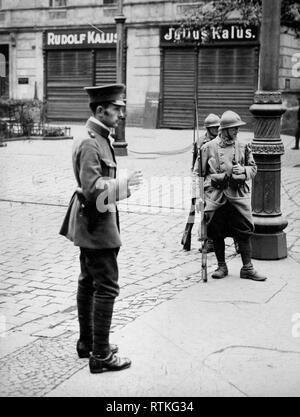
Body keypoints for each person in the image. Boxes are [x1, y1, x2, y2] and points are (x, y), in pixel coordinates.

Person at [59, 83, 143, 373]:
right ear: (100, 110)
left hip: (96, 224)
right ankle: (101, 355)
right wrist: (124, 185)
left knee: (88, 282)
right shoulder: (90, 142)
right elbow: (93, 190)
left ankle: (89, 343)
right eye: (117, 109)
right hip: (96, 226)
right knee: (106, 286)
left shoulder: (100, 138)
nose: (121, 114)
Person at [196, 110, 267, 281]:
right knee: (216, 231)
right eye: (234, 128)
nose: (236, 132)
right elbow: (198, 174)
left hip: (237, 196)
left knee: (244, 230)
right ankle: (221, 266)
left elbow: (253, 168)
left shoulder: (243, 146)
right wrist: (205, 192)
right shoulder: (207, 148)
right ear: (224, 129)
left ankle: (247, 268)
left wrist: (243, 171)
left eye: (237, 129)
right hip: (217, 197)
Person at [191, 114, 221, 253]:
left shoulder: (221, 140)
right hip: (206, 180)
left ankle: (236, 241)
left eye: (218, 127)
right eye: (214, 127)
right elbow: (195, 165)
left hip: (220, 179)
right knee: (206, 213)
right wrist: (196, 185)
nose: (217, 129)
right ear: (208, 128)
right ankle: (208, 241)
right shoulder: (200, 142)